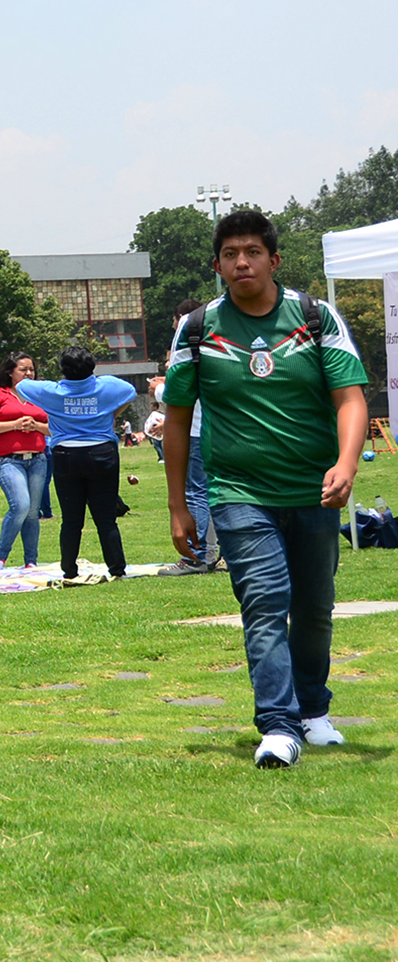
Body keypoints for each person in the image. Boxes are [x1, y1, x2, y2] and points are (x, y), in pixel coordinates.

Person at [163, 210, 368, 768]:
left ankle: (313, 710)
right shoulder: (199, 327)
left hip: (313, 490)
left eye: (252, 252)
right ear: (218, 265)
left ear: (274, 260)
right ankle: (277, 726)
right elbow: (177, 420)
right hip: (237, 492)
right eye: (230, 254)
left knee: (315, 607)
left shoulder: (315, 317)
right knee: (265, 600)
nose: (241, 262)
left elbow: (350, 398)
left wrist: (347, 464)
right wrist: (180, 506)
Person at [16, 347, 136, 581]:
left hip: (66, 454)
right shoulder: (106, 386)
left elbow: (21, 386)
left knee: (71, 520)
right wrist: (110, 415)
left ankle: (69, 570)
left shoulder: (52, 392)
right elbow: (130, 392)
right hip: (102, 451)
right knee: (105, 519)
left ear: (63, 369)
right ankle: (117, 569)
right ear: (92, 366)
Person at [153, 298, 218, 573]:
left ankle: (198, 555)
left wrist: (158, 389)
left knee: (196, 493)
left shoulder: (190, 339)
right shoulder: (217, 336)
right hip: (215, 428)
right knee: (213, 493)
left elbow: (182, 394)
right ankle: (214, 553)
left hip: (194, 429)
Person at [0, 353, 50, 570]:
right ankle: (0, 559)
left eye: (31, 369)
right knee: (20, 506)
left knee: (32, 512)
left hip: (38, 460)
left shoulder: (41, 396)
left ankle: (31, 561)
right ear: (10, 371)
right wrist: (15, 424)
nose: (29, 373)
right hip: (8, 461)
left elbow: (57, 428)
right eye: (23, 369)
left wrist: (36, 426)